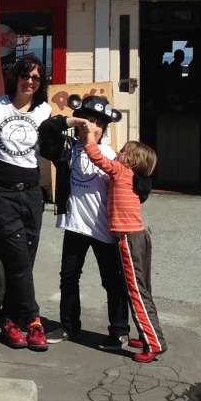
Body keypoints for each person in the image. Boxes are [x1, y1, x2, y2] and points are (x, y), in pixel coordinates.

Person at [0, 54, 53, 351]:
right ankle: (33, 321)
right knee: (17, 259)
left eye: (36, 78)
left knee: (24, 261)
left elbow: (54, 146)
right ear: (16, 76)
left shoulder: (45, 111)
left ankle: (9, 320)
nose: (30, 82)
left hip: (31, 193)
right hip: (0, 193)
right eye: (26, 76)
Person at [76, 118, 165, 362]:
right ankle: (148, 335)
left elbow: (96, 157)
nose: (118, 152)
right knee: (142, 289)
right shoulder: (134, 178)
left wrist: (90, 135)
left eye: (123, 150)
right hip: (141, 237)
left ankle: (153, 343)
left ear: (131, 160)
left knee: (136, 291)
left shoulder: (122, 172)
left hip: (128, 239)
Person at [50, 96, 129, 349]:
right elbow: (46, 131)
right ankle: (69, 326)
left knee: (112, 281)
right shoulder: (67, 151)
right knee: (68, 277)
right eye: (86, 120)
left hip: (103, 227)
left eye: (97, 123)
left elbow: (129, 185)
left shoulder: (109, 155)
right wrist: (70, 121)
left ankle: (119, 331)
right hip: (75, 225)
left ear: (104, 129)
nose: (90, 125)